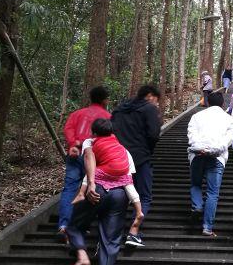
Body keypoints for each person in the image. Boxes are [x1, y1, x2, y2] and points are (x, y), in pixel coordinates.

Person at [62, 151, 130, 265]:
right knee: (110, 242)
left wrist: (83, 191)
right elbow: (129, 181)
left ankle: (82, 256)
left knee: (74, 225)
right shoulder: (124, 154)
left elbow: (89, 172)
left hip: (96, 190)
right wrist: (137, 208)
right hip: (119, 195)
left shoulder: (96, 149)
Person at [72, 118, 144, 248]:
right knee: (129, 185)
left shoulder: (93, 143)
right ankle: (139, 211)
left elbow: (89, 159)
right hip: (124, 170)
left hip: (106, 176)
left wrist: (91, 184)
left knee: (91, 171)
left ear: (94, 132)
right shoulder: (118, 144)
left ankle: (81, 194)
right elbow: (129, 173)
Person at [57, 86, 111, 238]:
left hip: (75, 154)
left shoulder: (77, 114)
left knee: (70, 188)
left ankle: (64, 225)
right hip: (94, 156)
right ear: (104, 100)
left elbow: (68, 128)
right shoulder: (107, 116)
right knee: (92, 188)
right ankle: (81, 225)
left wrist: (73, 144)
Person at [111, 84, 161, 246]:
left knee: (120, 194)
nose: (157, 104)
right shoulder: (149, 109)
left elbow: (110, 132)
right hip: (140, 158)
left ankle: (112, 231)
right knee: (144, 195)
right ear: (150, 96)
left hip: (118, 158)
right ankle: (133, 231)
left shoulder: (119, 110)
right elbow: (154, 134)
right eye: (157, 100)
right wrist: (147, 150)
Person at [187, 91, 233, 237]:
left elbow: (191, 136)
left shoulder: (196, 116)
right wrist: (214, 150)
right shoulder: (228, 119)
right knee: (212, 193)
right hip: (217, 157)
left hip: (197, 155)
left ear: (207, 102)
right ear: (223, 104)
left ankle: (197, 206)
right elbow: (228, 139)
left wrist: (200, 148)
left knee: (196, 184)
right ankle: (207, 228)